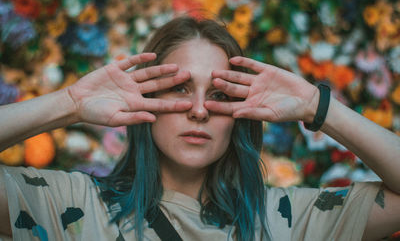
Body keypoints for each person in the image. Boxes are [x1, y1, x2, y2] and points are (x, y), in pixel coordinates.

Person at [0, 17, 399, 241]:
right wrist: (68, 105)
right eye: (179, 88)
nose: (198, 110)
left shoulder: (285, 220)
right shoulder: (70, 205)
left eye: (220, 95)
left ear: (241, 111)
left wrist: (316, 105)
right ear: (144, 99)